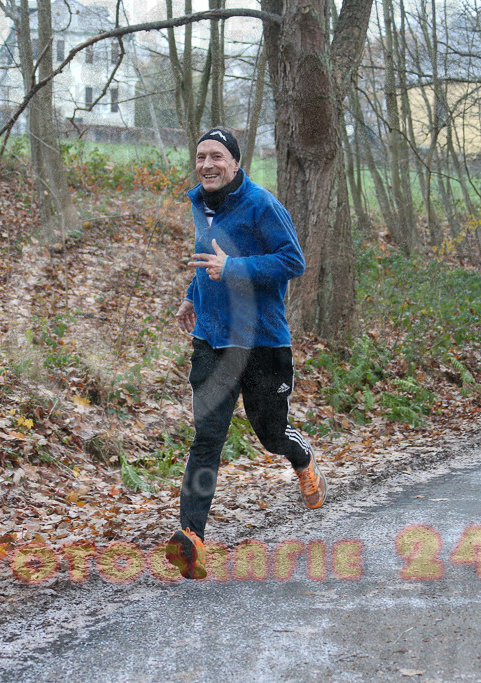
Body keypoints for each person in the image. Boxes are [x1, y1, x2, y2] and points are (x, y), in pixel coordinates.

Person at [165, 127, 326, 580]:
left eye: (216, 156)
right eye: (200, 157)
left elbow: (293, 261)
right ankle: (192, 538)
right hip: (213, 341)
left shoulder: (262, 204)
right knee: (207, 437)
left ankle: (301, 459)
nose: (207, 164)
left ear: (235, 162)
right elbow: (206, 258)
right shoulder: (200, 202)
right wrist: (192, 296)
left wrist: (233, 268)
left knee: (270, 434)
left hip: (261, 342)